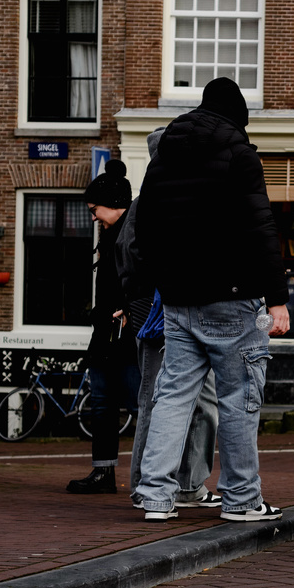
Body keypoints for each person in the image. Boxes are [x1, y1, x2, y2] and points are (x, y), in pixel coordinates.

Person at [133, 77, 290, 523]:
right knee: (240, 396)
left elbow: (145, 226)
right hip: (233, 297)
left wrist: (163, 280)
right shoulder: (240, 154)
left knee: (173, 395)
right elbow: (261, 229)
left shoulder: (164, 153)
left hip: (178, 300)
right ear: (238, 117)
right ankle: (241, 499)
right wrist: (277, 299)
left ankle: (155, 496)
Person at [117, 129, 220, 510]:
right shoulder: (148, 203)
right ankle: (147, 486)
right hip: (161, 316)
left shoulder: (187, 199)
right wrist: (148, 299)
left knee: (201, 401)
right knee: (158, 399)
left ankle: (189, 484)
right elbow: (129, 258)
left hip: (194, 313)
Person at [67, 160, 143, 494]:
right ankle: (103, 473)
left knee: (141, 405)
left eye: (95, 209)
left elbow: (147, 280)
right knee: (101, 404)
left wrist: (130, 310)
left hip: (128, 337)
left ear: (114, 204)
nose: (93, 216)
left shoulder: (135, 235)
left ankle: (150, 475)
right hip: (105, 337)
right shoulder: (110, 235)